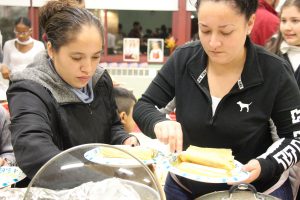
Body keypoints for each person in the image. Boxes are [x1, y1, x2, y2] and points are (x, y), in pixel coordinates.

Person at [133, 0, 300, 199]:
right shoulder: (184, 60)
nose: (213, 43)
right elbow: (144, 106)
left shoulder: (274, 70)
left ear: (250, 23)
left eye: (226, 32)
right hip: (184, 187)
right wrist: (158, 122)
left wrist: (266, 164)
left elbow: (294, 137)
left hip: (253, 190)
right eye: (204, 30)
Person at [6, 0, 138, 181]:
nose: (88, 68)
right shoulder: (29, 88)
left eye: (96, 56)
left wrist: (124, 140)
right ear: (51, 49)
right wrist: (92, 179)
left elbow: (113, 125)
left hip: (102, 184)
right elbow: (33, 151)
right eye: (77, 58)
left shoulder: (100, 79)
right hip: (56, 188)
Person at [266, 1, 300, 199]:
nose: (287, 27)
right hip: (278, 143)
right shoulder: (271, 53)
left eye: (295, 21)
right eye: (284, 20)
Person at [0, 17, 45, 82]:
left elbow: (42, 67)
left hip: (33, 82)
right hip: (14, 82)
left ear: (30, 31)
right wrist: (3, 68)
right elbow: (5, 64)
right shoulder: (8, 44)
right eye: (18, 32)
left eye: (24, 32)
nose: (20, 35)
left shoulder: (39, 45)